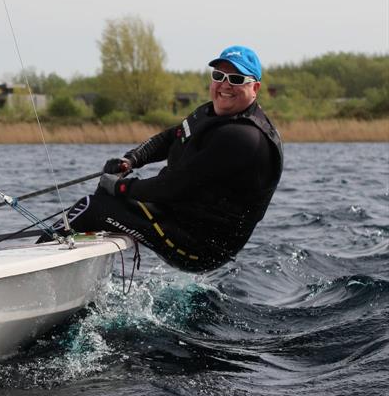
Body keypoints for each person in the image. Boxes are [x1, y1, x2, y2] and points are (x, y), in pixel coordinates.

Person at [46, 45, 283, 272]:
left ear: (256, 88)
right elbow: (173, 137)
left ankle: (34, 263)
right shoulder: (210, 112)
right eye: (219, 75)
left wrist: (120, 186)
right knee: (104, 198)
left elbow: (174, 187)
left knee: (92, 206)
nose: (225, 85)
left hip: (200, 246)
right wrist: (132, 159)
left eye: (237, 79)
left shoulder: (243, 137)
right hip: (178, 217)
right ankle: (73, 275)